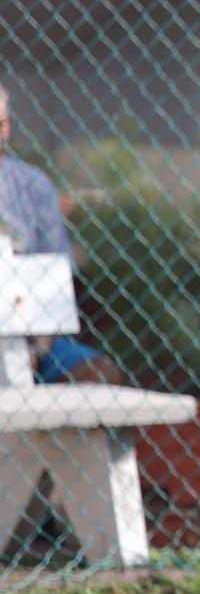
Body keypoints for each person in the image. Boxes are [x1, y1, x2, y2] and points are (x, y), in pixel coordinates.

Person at [0, 84, 124, 385]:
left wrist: (38, 349)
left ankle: (39, 428)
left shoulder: (32, 186)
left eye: (1, 123)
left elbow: (57, 271)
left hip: (28, 332)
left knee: (100, 374)